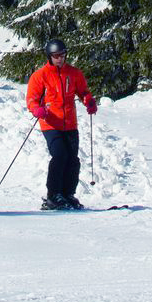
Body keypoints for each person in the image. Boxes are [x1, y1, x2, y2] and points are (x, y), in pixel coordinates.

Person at [23, 43, 98, 210]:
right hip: (50, 123)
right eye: (56, 55)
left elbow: (83, 92)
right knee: (59, 155)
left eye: (62, 55)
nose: (60, 58)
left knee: (73, 159)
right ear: (49, 56)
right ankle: (52, 195)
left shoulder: (74, 73)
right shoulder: (40, 76)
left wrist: (89, 101)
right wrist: (36, 109)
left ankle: (67, 194)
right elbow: (31, 98)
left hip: (70, 123)